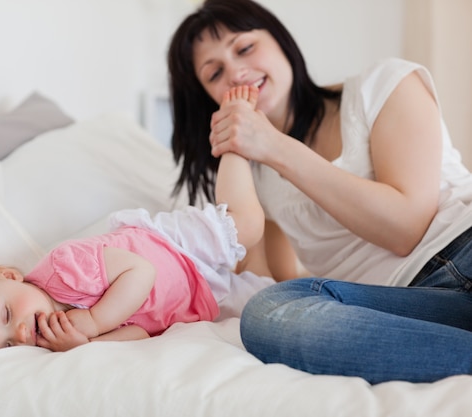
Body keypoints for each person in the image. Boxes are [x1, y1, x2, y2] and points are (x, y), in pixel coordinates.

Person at [167, 0, 472, 383]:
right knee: (268, 312)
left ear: (281, 42)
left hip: (463, 245)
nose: (236, 73)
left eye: (245, 48)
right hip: (408, 306)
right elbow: (266, 279)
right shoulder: (260, 177)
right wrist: (237, 156)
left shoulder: (383, 85)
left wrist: (273, 145)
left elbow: (407, 227)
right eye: (215, 74)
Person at [0, 86, 275, 353]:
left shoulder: (63, 269)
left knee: (245, 226)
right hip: (191, 297)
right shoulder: (61, 337)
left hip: (172, 249)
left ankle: (233, 138)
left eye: (4, 315)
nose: (18, 333)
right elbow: (140, 332)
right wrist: (86, 345)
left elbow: (142, 272)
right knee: (265, 305)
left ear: (10, 275)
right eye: (7, 346)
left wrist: (93, 322)